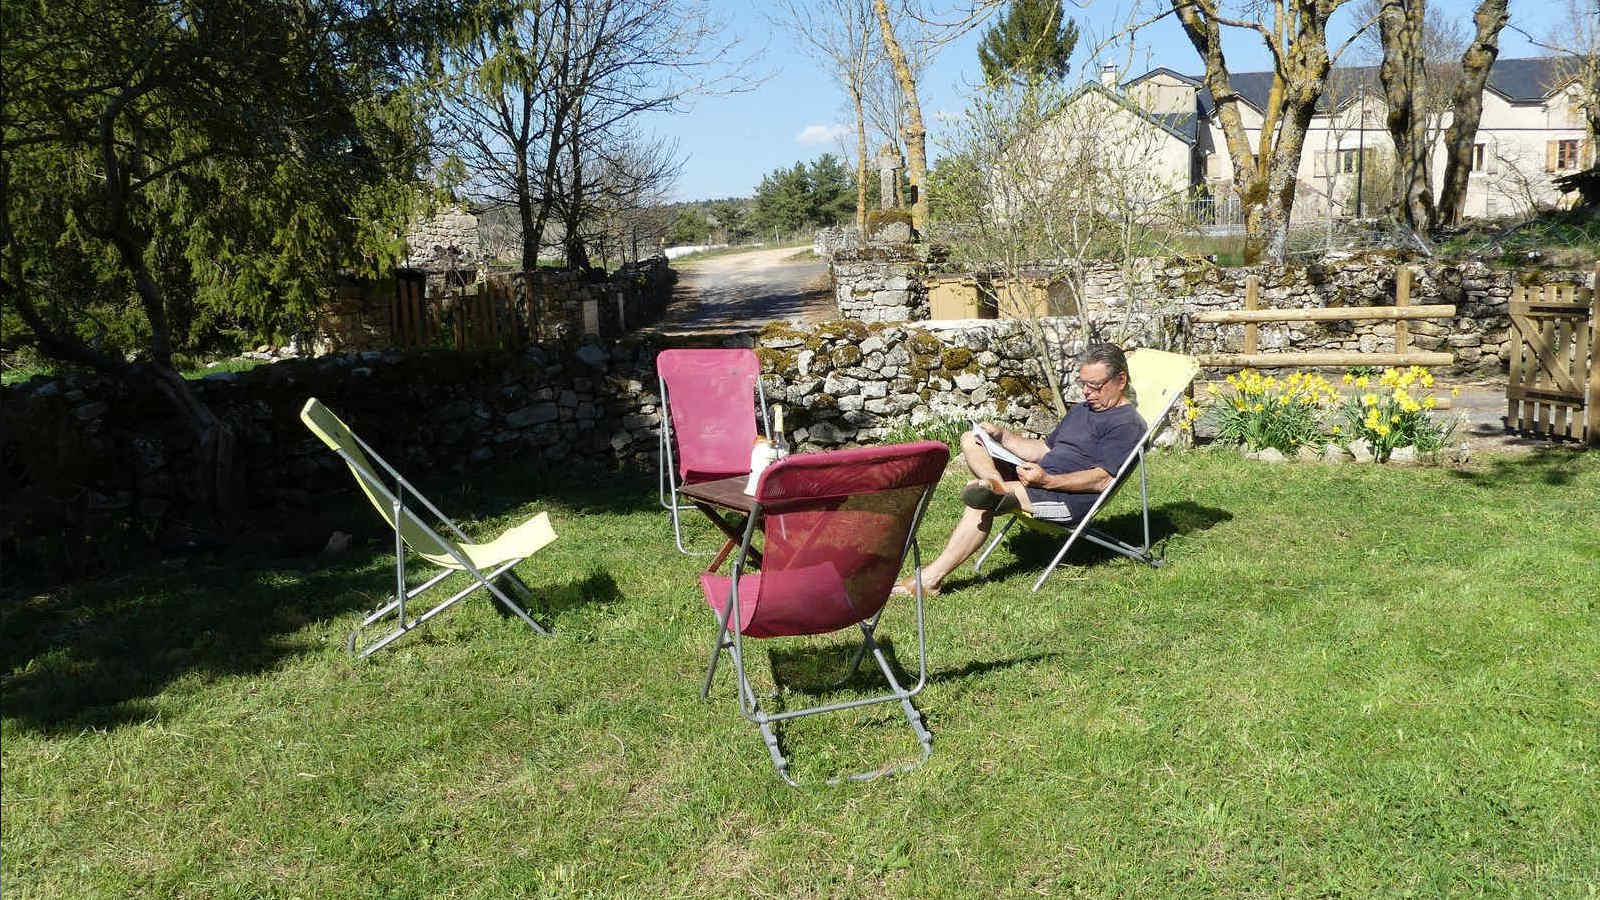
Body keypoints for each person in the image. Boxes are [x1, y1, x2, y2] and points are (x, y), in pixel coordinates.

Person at [896, 343, 1145, 595]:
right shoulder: (1083, 410)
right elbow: (1045, 450)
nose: (1086, 392)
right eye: (1083, 384)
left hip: (1066, 497)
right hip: (1038, 478)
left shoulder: (1127, 424)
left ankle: (930, 578)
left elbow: (1103, 480)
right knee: (971, 439)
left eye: (1094, 385)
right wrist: (1002, 436)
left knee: (982, 503)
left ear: (1120, 379)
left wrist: (1047, 481)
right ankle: (993, 484)